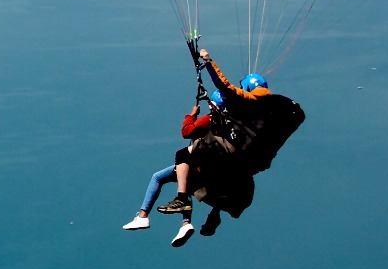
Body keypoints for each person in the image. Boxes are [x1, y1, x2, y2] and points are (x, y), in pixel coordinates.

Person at [123, 44, 302, 247]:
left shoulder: (229, 111)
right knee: (213, 179)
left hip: (211, 161)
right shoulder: (259, 116)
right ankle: (192, 221)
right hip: (233, 166)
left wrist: (192, 111)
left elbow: (188, 131)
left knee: (176, 163)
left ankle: (151, 214)